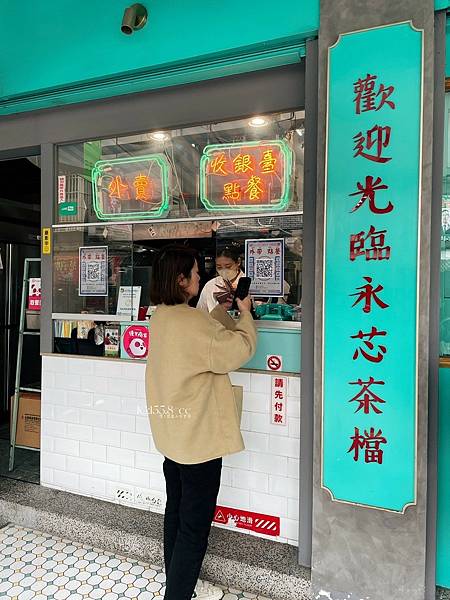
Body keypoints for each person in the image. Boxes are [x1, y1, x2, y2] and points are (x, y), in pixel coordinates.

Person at [146, 245, 257, 600]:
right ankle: (177, 596)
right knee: (194, 528)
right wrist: (245, 313)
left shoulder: (160, 316)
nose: (201, 277)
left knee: (175, 514)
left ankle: (175, 587)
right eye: (195, 273)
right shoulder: (193, 323)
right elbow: (238, 350)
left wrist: (221, 313)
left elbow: (205, 337)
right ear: (181, 280)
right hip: (199, 442)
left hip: (173, 437)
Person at [197, 247, 244, 313]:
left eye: (228, 266)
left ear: (238, 262)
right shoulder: (210, 285)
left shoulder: (247, 282)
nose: (224, 270)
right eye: (219, 267)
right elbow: (201, 312)